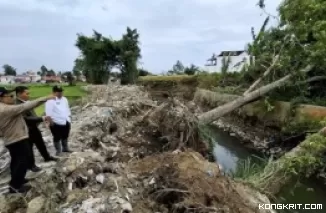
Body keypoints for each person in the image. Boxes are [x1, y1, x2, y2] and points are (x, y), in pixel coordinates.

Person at [0, 87, 54, 193]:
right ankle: (16, 187)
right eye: (10, 96)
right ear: (1, 98)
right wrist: (46, 98)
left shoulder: (4, 107)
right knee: (22, 161)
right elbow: (26, 106)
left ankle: (17, 181)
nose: (12, 98)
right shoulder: (5, 109)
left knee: (16, 161)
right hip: (17, 139)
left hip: (12, 138)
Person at [15, 86, 58, 173]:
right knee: (29, 148)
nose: (28, 95)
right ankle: (31, 165)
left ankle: (46, 157)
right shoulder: (17, 105)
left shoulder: (26, 102)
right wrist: (42, 118)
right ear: (19, 94)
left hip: (33, 127)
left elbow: (32, 114)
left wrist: (39, 120)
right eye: (26, 93)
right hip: (25, 129)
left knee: (40, 143)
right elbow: (25, 119)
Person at [45, 85, 72, 156]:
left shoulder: (65, 99)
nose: (60, 93)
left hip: (66, 120)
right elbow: (48, 113)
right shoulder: (50, 100)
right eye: (58, 92)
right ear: (54, 92)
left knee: (65, 135)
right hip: (55, 122)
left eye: (61, 91)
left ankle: (65, 148)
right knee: (57, 137)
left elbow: (67, 108)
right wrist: (50, 122)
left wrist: (69, 118)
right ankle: (58, 151)